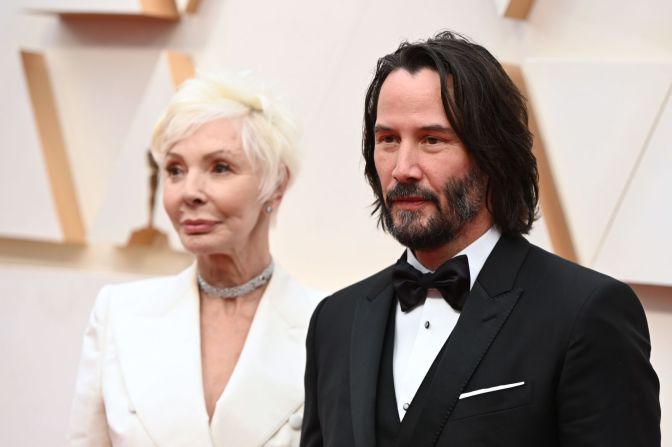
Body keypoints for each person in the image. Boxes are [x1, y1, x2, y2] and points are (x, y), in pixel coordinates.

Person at [300, 31, 660, 446]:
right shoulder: (334, 321)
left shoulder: (585, 313)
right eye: (388, 140)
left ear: (492, 155)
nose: (403, 168)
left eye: (432, 140)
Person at [68, 72, 322, 447]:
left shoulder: (328, 325)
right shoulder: (118, 314)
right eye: (175, 170)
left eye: (220, 167)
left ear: (277, 184)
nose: (189, 192)